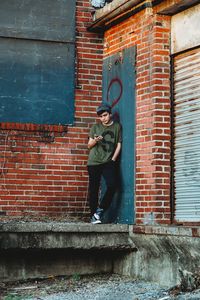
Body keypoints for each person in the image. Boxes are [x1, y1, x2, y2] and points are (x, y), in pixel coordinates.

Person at [87, 103, 122, 224]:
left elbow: (119, 144)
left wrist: (113, 159)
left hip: (108, 161)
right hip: (93, 162)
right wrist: (95, 140)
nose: (103, 118)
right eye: (101, 116)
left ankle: (99, 211)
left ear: (110, 114)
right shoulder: (95, 127)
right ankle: (93, 216)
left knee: (112, 185)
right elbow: (89, 145)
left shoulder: (117, 127)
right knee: (94, 189)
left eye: (105, 115)